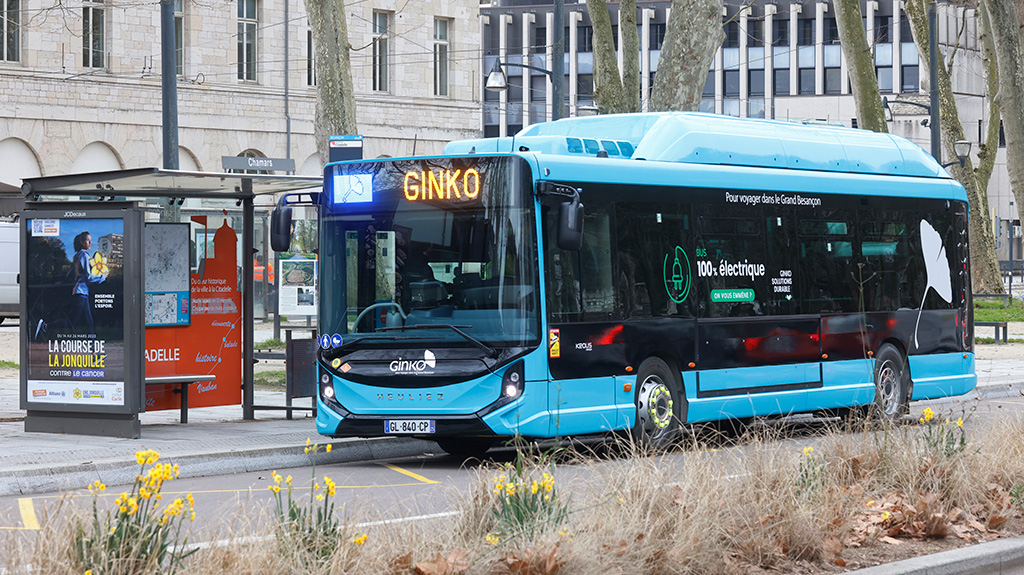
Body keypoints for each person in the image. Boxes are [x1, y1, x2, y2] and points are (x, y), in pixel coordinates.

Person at [34, 231, 107, 339]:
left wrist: (78, 280)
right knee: (72, 322)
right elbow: (89, 277)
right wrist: (102, 277)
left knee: (89, 322)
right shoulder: (84, 255)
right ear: (82, 242)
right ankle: (45, 326)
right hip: (81, 293)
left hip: (81, 292)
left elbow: (70, 275)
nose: (91, 243)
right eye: (88, 240)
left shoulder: (77, 256)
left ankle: (93, 350)